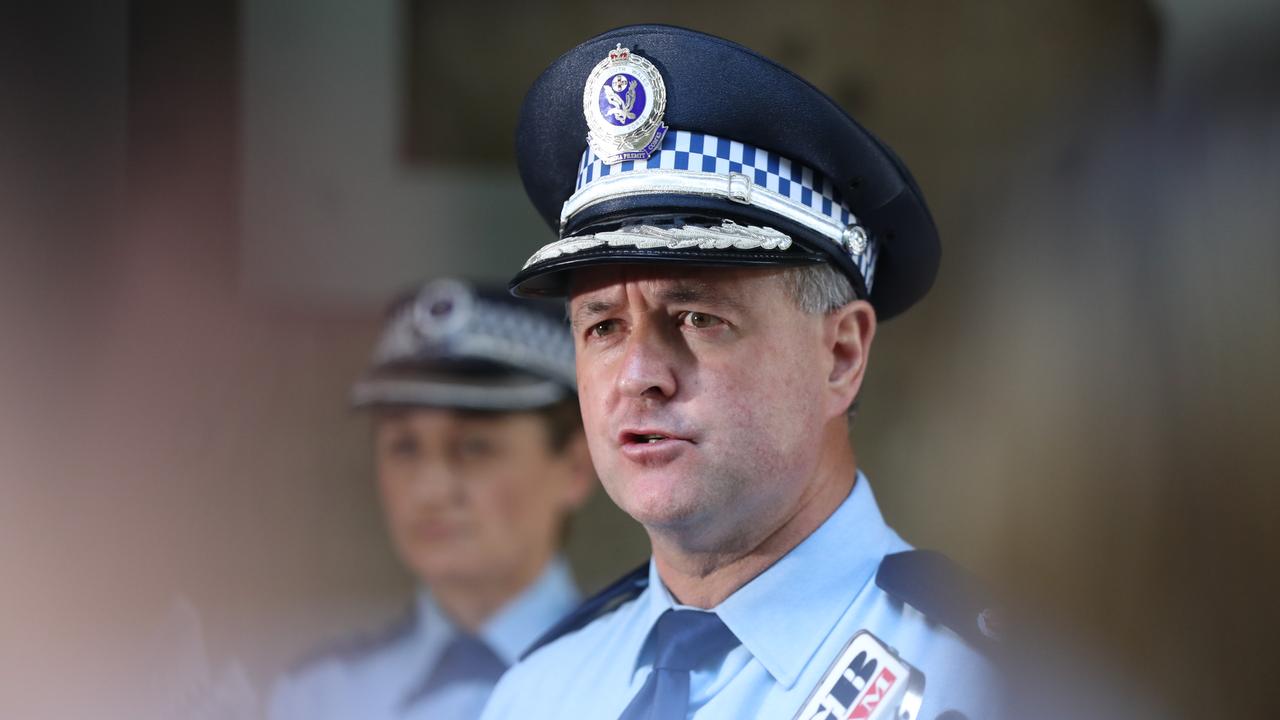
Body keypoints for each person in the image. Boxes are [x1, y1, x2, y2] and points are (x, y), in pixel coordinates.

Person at [480, 25, 1000, 720]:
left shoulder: (985, 686)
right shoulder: (538, 696)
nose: (638, 374)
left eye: (697, 317)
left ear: (841, 354)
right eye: (603, 326)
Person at [269, 278, 595, 720]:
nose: (431, 490)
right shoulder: (321, 698)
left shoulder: (641, 681)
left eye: (475, 446)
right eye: (404, 446)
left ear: (575, 467)